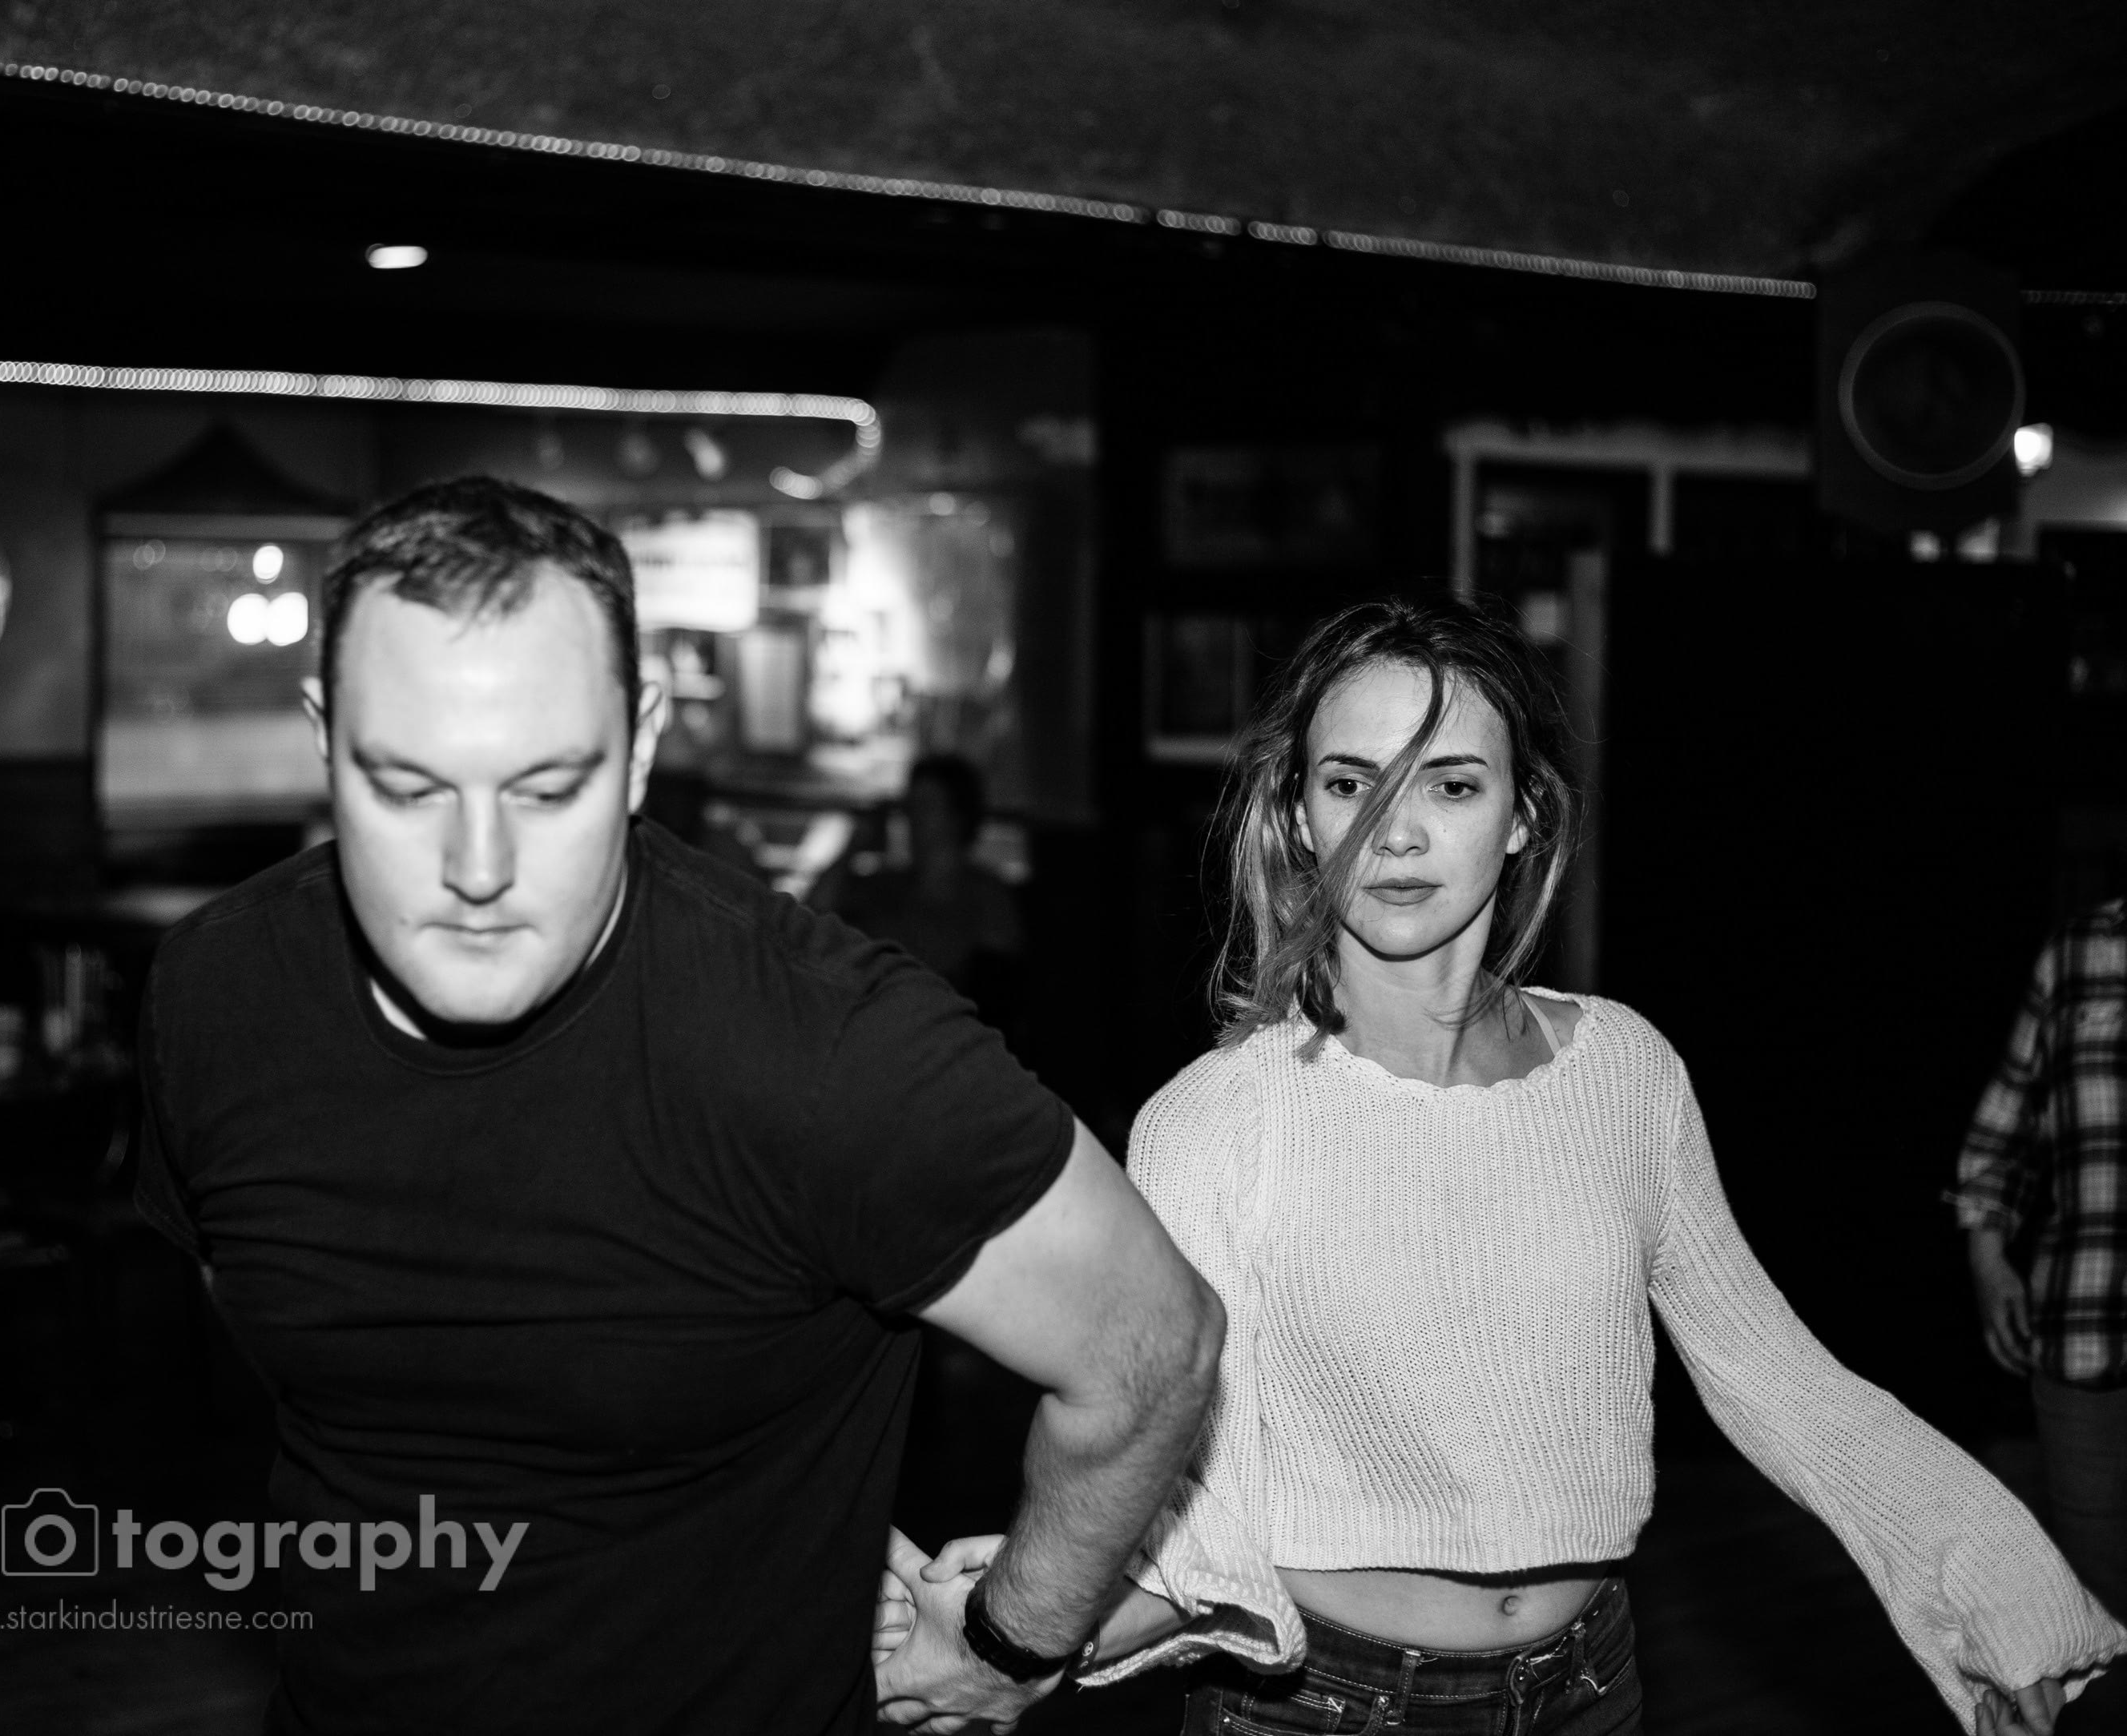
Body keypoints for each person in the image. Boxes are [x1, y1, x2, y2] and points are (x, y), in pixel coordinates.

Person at [878, 595, 2120, 1736]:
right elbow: (1197, 1500)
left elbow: (1774, 1375)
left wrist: (1996, 1586)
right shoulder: (1214, 1122)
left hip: (1590, 1683)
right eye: (1350, 781)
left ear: (1523, 812)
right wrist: (1009, 1629)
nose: (1397, 830)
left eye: (1453, 783)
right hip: (1322, 1705)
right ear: (1298, 816)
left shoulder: (1623, 1073)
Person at [130, 476, 1223, 1735]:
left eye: (547, 787)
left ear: (641, 741)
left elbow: (1154, 1345)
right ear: (323, 735)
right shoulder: (215, 995)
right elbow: (262, 1303)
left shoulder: (825, 1051)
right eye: (408, 786)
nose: (477, 868)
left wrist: (1008, 1639)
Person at [1957, 898, 2127, 1709]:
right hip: (2083, 1335)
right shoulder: (2081, 951)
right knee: (2097, 1621)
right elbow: (2005, 1125)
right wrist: (1988, 1256)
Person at [816, 754, 1024, 1015]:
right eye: (910, 805)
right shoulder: (886, 884)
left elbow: (997, 989)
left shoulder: (987, 895)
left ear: (957, 816)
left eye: (926, 805)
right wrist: (855, 843)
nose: (913, 817)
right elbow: (813, 916)